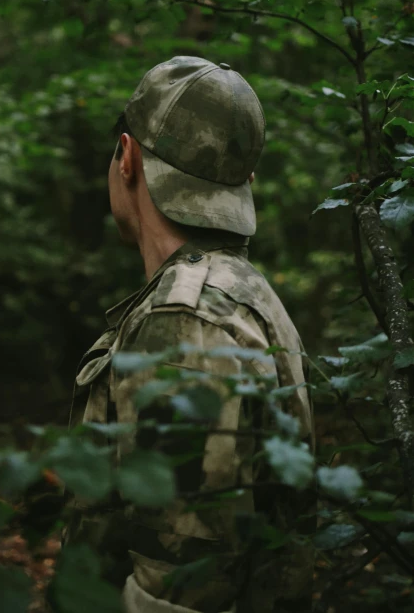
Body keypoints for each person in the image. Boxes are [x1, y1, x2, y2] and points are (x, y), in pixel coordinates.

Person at [66, 56, 314, 613]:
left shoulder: (185, 321)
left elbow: (180, 589)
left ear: (126, 157)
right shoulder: (248, 292)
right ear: (246, 181)